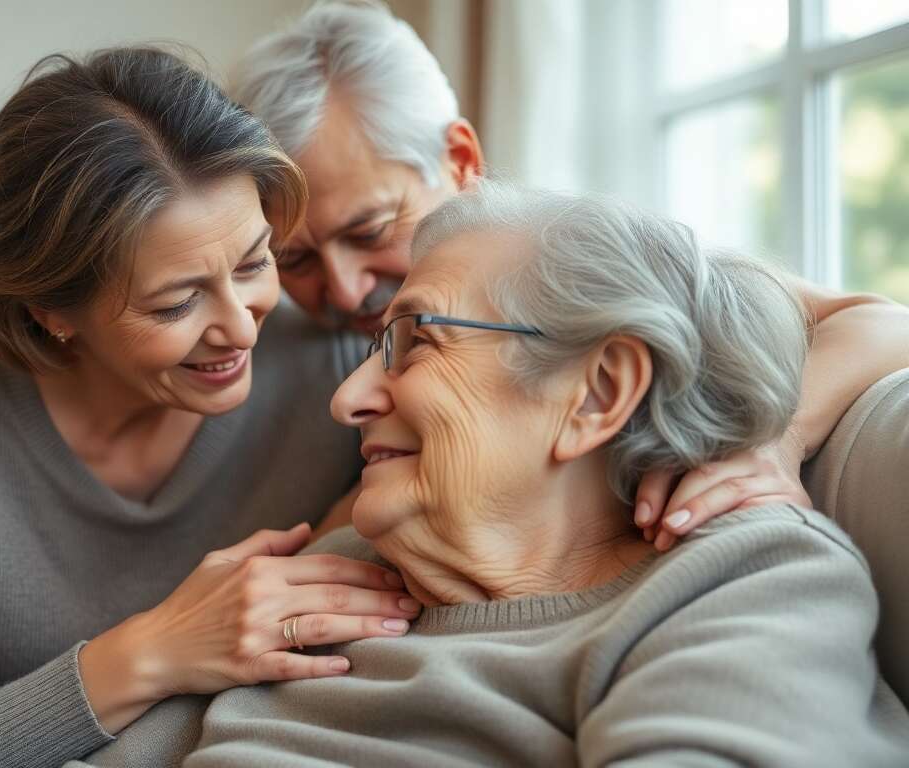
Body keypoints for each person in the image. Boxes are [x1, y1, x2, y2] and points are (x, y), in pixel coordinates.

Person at [142, 181, 909, 766]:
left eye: (417, 341)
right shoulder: (333, 576)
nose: (347, 401)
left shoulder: (738, 582)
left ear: (598, 393)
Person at [0, 47, 424, 768]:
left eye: (255, 262)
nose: (242, 326)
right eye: (177, 301)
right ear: (51, 309)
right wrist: (157, 649)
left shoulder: (337, 356)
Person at [232, 0, 909, 548]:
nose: (347, 289)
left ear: (461, 160)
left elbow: (880, 322)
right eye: (296, 259)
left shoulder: (571, 266)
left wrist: (775, 440)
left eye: (370, 231)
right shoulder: (285, 357)